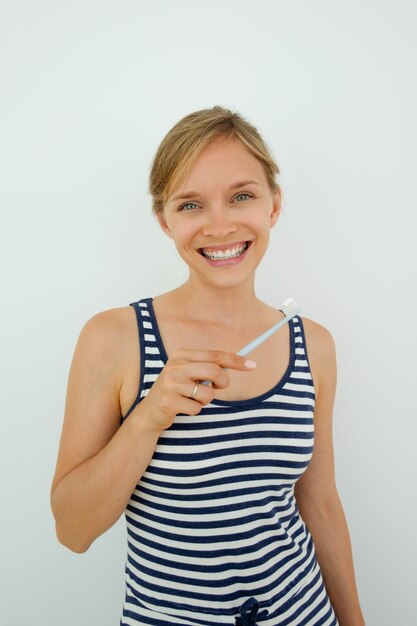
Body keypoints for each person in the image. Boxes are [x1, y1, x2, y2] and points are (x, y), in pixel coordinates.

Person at [50, 106, 365, 626]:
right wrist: (149, 418)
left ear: (274, 206)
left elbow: (321, 504)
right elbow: (72, 531)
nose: (220, 225)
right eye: (191, 204)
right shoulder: (115, 339)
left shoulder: (314, 346)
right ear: (164, 220)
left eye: (242, 195)